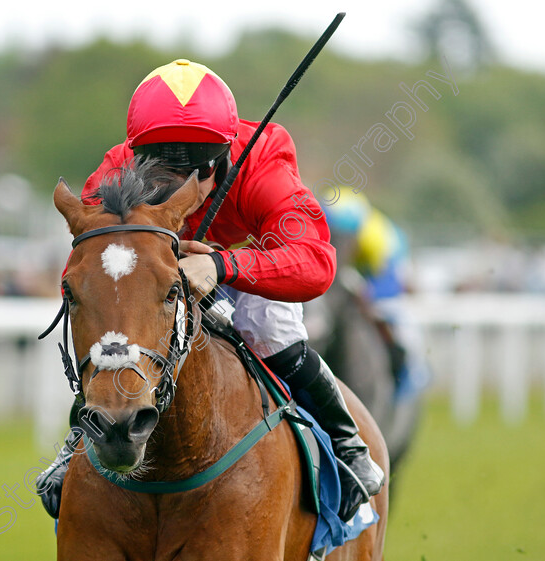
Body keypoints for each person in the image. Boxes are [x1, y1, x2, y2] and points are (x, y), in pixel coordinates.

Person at [37, 59, 384, 522]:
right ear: (137, 155)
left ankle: (347, 442)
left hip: (252, 268)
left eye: (190, 170)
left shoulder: (263, 158)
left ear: (221, 158)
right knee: (118, 329)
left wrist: (223, 264)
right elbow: (88, 267)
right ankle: (79, 439)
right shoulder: (115, 172)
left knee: (270, 325)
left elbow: (317, 264)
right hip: (162, 278)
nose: (173, 185)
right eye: (161, 169)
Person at [322, 186, 428, 399]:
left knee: (382, 310)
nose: (341, 243)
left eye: (346, 239)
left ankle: (407, 370)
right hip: (360, 262)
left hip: (385, 267)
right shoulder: (327, 217)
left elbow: (381, 285)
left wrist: (363, 296)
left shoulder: (377, 239)